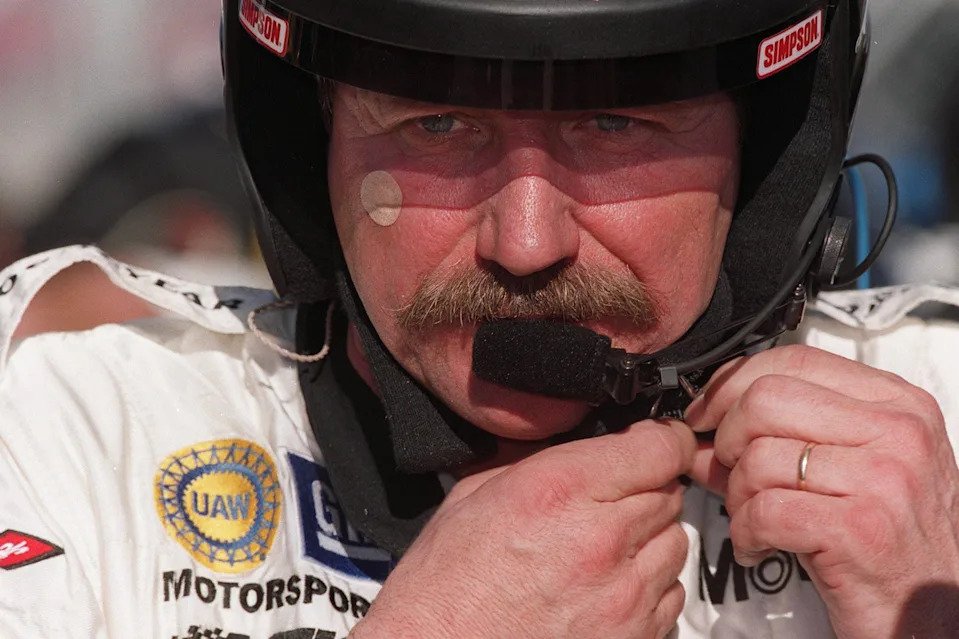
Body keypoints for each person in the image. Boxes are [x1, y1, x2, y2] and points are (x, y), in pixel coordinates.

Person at [1, 1, 957, 638]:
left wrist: (923, 604)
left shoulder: (937, 412)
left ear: (764, 162)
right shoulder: (73, 435)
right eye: (438, 127)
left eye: (615, 125)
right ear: (310, 142)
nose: (527, 243)